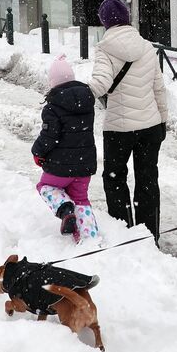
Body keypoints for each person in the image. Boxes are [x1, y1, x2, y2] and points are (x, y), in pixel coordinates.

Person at [88, 0, 168, 239]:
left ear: (105, 22)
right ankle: (149, 235)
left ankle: (123, 233)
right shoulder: (146, 46)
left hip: (119, 129)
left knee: (115, 179)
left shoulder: (105, 48)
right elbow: (158, 88)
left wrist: (77, 91)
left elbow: (100, 84)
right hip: (150, 126)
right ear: (127, 19)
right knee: (147, 180)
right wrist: (163, 121)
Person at [32, 56, 100, 243]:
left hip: (60, 166)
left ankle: (64, 209)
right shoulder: (87, 102)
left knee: (45, 187)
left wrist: (37, 152)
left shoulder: (53, 106)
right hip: (84, 165)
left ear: (53, 82)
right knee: (81, 199)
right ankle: (90, 239)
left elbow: (49, 137)